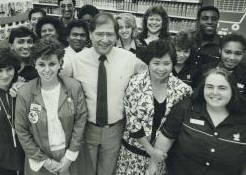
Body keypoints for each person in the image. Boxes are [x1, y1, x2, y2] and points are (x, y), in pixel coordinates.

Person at [62, 12, 147, 175]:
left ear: (116, 36)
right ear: (90, 35)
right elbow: (55, 83)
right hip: (87, 130)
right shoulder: (76, 61)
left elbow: (152, 74)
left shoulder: (129, 59)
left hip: (115, 130)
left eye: (110, 34)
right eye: (100, 34)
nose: (105, 39)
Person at [149, 68, 246, 175]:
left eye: (222, 88)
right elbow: (162, 146)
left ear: (233, 91)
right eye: (209, 86)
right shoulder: (185, 109)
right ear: (202, 88)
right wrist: (155, 166)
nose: (215, 92)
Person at [115, 40, 192, 175]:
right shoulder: (135, 82)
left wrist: (156, 157)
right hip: (132, 155)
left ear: (173, 63)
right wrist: (151, 152)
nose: (161, 68)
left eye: (166, 64)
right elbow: (133, 122)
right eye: (156, 63)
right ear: (148, 63)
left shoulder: (182, 90)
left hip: (162, 158)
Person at [15, 37, 87, 175]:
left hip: (69, 154)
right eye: (42, 64)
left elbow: (80, 121)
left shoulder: (73, 87)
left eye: (52, 63)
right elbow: (22, 130)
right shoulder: (25, 93)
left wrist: (70, 156)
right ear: (34, 64)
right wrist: (45, 161)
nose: (47, 70)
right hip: (39, 156)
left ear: (60, 63)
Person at [204, 33, 246, 107]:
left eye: (238, 54)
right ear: (220, 50)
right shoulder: (204, 70)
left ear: (243, 54)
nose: (232, 57)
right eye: (228, 52)